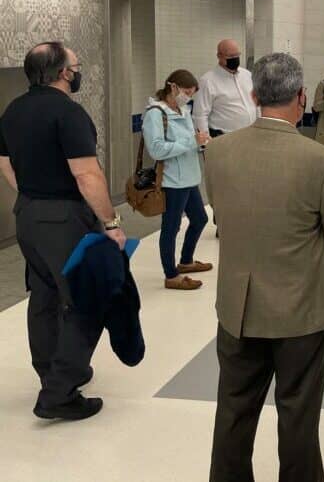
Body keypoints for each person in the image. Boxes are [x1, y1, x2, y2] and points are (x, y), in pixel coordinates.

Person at [205, 53, 324, 482]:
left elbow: (221, 210)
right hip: (301, 309)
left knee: (233, 411)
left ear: (254, 96)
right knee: (298, 415)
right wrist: (303, 260)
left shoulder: (219, 152)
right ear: (302, 96)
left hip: (238, 307)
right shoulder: (321, 161)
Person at [0, 42, 127, 421]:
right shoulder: (68, 113)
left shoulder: (13, 110)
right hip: (65, 219)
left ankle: (52, 372)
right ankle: (59, 392)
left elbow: (4, 162)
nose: (78, 71)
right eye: (76, 65)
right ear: (63, 73)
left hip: (27, 215)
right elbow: (86, 174)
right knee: (87, 300)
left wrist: (31, 194)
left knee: (44, 296)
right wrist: (111, 222)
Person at [142, 70, 212, 291]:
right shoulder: (155, 113)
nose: (188, 97)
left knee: (200, 219)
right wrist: (192, 142)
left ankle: (186, 261)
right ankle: (171, 275)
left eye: (191, 94)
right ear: (173, 87)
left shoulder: (183, 110)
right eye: (186, 92)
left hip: (190, 178)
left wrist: (202, 143)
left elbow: (191, 141)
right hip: (172, 181)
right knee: (171, 228)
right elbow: (156, 149)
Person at [192, 39, 257, 235]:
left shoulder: (247, 75)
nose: (235, 59)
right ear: (219, 56)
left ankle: (244, 221)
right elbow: (200, 114)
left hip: (249, 137)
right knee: (224, 184)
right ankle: (223, 222)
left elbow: (256, 103)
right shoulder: (208, 81)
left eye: (237, 55)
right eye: (230, 57)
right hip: (222, 139)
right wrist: (205, 146)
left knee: (247, 182)